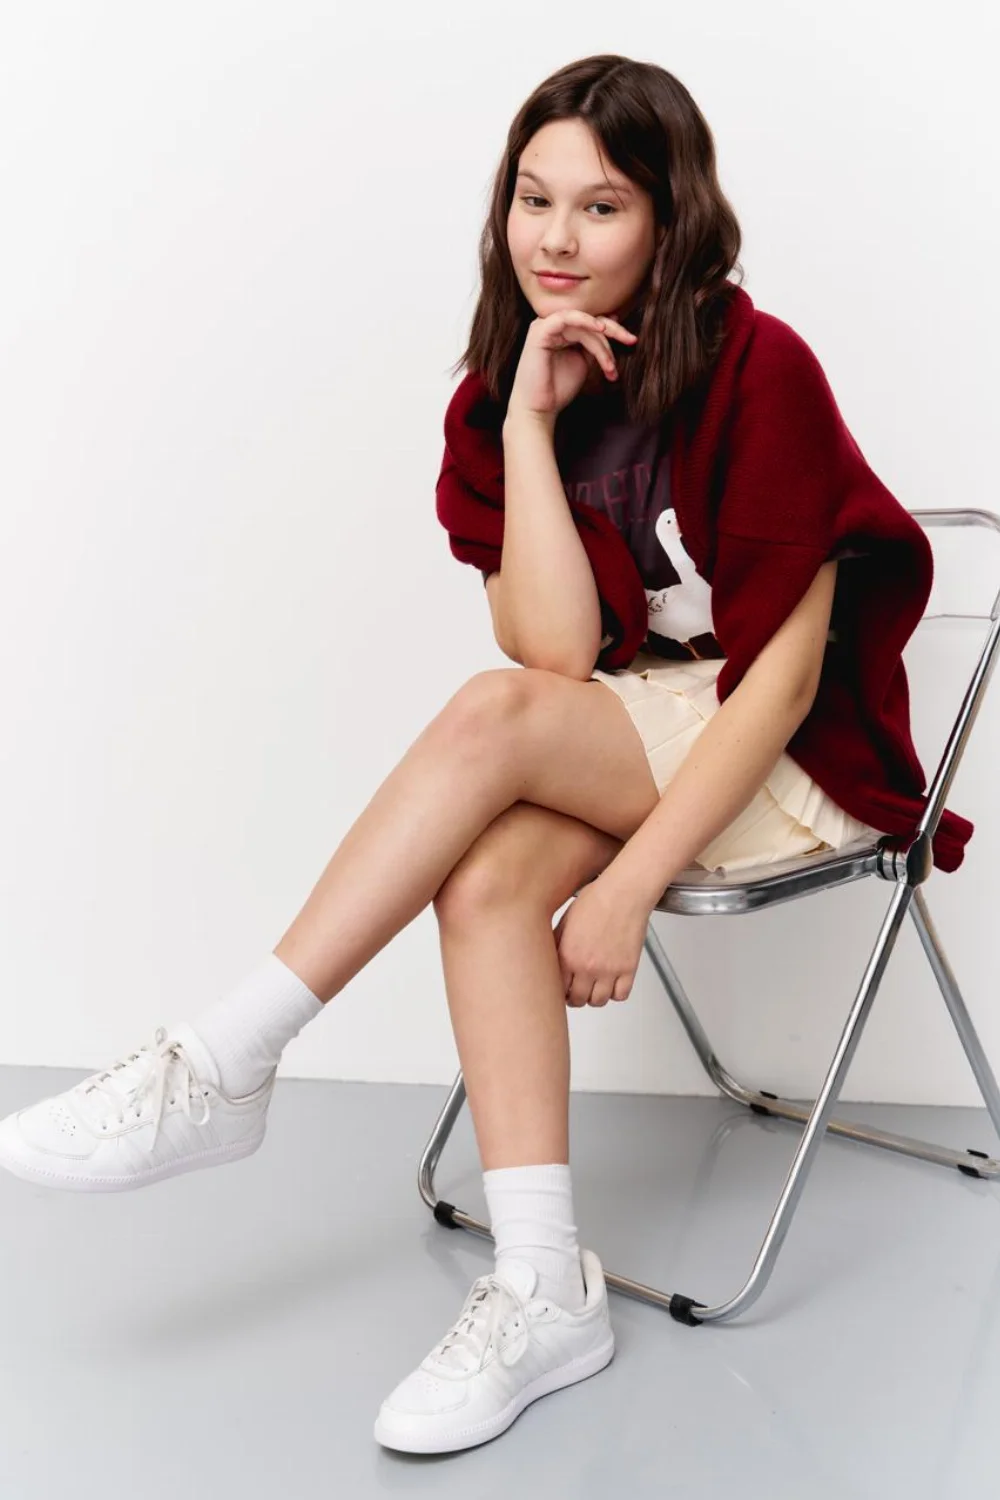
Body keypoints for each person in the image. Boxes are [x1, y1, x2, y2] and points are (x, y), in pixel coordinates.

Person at [0, 52, 928, 1455]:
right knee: (487, 880)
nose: (557, 238)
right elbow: (556, 650)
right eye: (532, 199)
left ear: (670, 218)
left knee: (491, 722)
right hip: (642, 727)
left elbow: (782, 684)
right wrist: (529, 423)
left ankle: (229, 1057)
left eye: (602, 207)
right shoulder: (505, 395)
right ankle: (545, 1286)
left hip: (792, 759)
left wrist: (629, 887)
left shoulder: (760, 367)